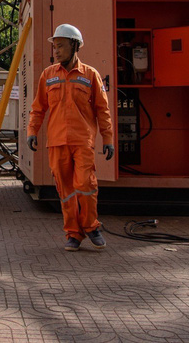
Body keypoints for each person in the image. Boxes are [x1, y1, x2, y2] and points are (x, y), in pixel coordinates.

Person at [27, 23, 114, 252]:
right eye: (55, 47)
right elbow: (38, 108)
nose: (56, 51)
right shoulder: (48, 75)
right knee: (65, 190)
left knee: (85, 184)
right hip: (56, 142)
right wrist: (32, 132)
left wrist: (108, 138)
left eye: (61, 46)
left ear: (75, 46)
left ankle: (91, 226)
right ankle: (73, 234)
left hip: (82, 140)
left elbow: (102, 110)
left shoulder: (90, 75)